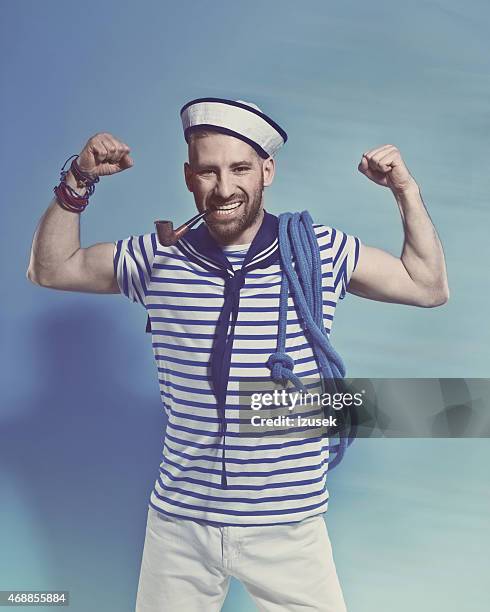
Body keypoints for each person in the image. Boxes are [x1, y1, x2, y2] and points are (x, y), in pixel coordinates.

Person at [27, 98, 449, 611]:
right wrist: (77, 181)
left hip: (288, 526)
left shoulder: (317, 249)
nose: (224, 188)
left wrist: (405, 190)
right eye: (208, 170)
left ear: (268, 170)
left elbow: (427, 287)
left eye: (240, 168)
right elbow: (52, 269)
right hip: (180, 525)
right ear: (189, 177)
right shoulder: (156, 258)